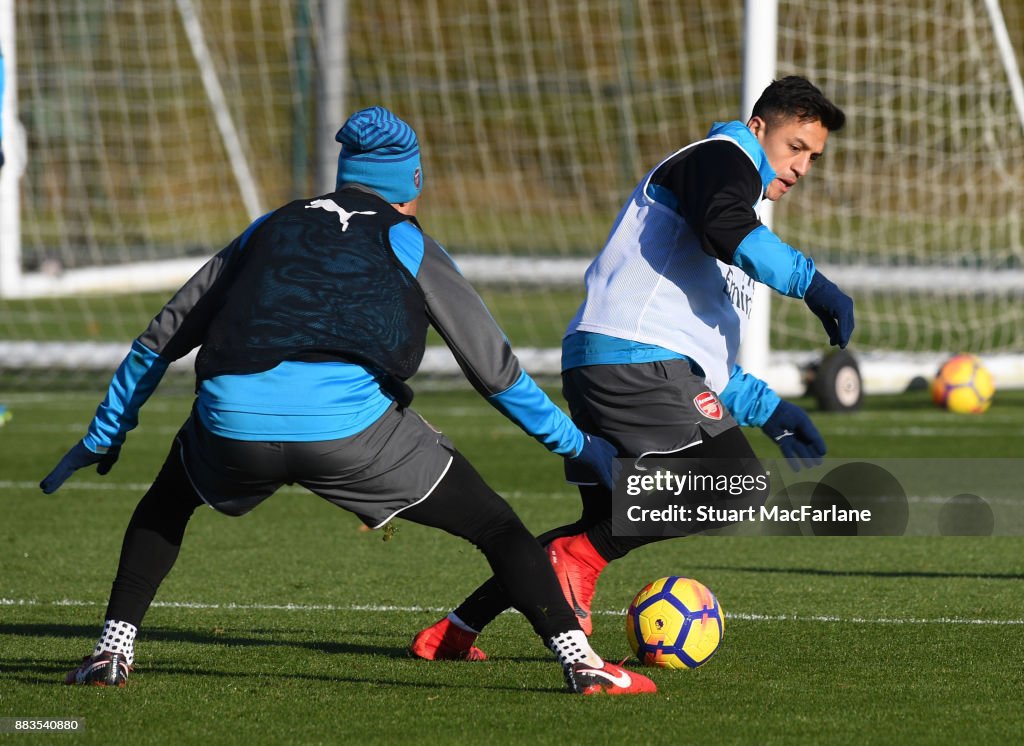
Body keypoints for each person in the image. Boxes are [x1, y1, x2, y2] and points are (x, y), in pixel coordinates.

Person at [40, 106, 656, 696]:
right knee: (499, 527)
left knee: (166, 503)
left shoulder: (271, 225)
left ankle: (111, 652)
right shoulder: (408, 239)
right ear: (412, 182)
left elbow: (159, 338)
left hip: (232, 424)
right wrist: (577, 447)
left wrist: (106, 431)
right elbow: (494, 372)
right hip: (351, 434)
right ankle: (584, 666)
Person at [411, 76, 854, 657]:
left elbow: (702, 351)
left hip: (612, 359)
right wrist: (812, 284)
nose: (801, 167)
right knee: (733, 487)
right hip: (635, 361)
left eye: (813, 157)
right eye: (795, 146)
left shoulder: (727, 200)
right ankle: (576, 564)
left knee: (600, 525)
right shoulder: (723, 159)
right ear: (758, 128)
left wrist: (770, 410)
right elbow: (726, 225)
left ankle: (456, 629)